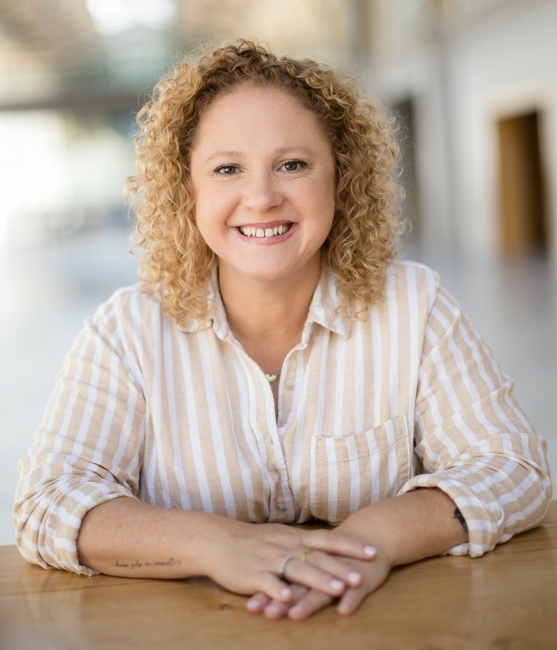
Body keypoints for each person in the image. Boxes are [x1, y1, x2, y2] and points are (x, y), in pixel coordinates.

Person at [13, 39, 552, 621]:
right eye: (227, 169)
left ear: (339, 178)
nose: (262, 197)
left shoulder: (415, 306)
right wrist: (213, 544)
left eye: (292, 164)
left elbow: (515, 470)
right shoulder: (125, 332)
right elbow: (46, 504)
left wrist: (375, 538)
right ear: (186, 189)